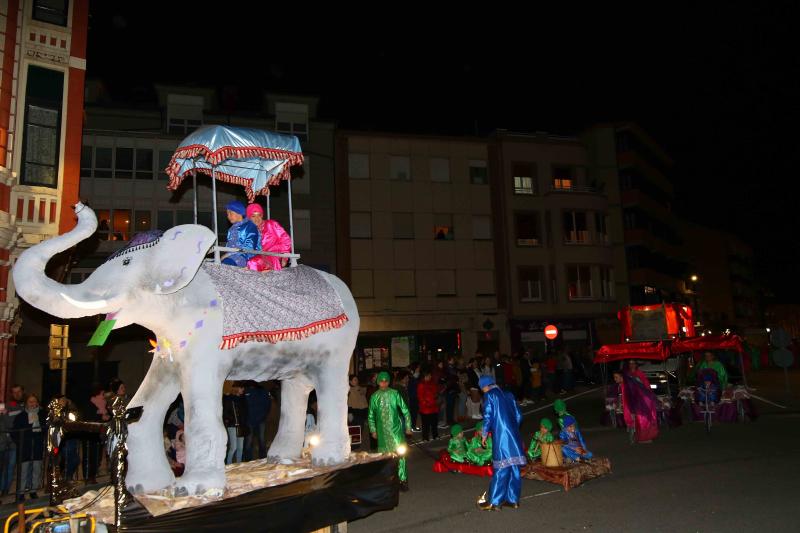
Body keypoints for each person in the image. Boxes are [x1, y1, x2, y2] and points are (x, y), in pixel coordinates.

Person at [477, 375, 524, 511]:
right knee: (514, 466)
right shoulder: (508, 394)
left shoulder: (490, 395)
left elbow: (488, 415)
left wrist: (484, 434)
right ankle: (513, 500)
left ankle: (494, 502)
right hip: (514, 435)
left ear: (485, 386)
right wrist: (512, 427)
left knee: (501, 467)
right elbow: (519, 416)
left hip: (502, 436)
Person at [368, 372, 412, 491]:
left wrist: (408, 427)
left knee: (400, 455)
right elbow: (371, 415)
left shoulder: (395, 394)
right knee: (384, 458)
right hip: (382, 434)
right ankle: (387, 481)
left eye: (386, 380)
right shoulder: (374, 397)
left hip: (396, 432)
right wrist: (373, 430)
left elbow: (405, 411)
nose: (384, 383)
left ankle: (402, 480)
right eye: (381, 381)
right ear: (378, 382)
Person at [13, 394, 45, 500]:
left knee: (36, 470)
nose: (32, 404)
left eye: (34, 401)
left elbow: (46, 430)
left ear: (37, 403)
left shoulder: (42, 415)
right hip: (25, 448)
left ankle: (33, 491)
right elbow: (15, 432)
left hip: (37, 447)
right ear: (26, 403)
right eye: (30, 402)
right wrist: (20, 443)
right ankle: (21, 492)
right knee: (23, 471)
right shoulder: (20, 416)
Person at [245, 203, 292, 272]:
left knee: (253, 263)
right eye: (253, 216)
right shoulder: (248, 231)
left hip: (273, 257)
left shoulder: (272, 224)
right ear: (249, 218)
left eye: (259, 215)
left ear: (262, 216)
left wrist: (284, 257)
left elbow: (286, 240)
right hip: (257, 257)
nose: (257, 219)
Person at [620, 361, 659, 443]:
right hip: (631, 399)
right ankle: (636, 437)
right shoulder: (626, 375)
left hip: (642, 400)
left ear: (636, 364)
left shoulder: (640, 374)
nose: (632, 365)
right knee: (634, 418)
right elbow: (624, 387)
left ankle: (646, 437)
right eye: (630, 363)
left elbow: (647, 387)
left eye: (633, 363)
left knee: (643, 418)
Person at [1, 384, 25, 495]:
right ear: (11, 394)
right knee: (4, 467)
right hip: (5, 442)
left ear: (22, 392)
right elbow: (7, 423)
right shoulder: (5, 406)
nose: (17, 394)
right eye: (14, 392)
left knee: (11, 466)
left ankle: (5, 490)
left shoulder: (26, 406)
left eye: (19, 391)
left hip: (17, 443)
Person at [221, 200, 259, 267]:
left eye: (230, 213)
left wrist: (229, 254)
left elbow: (249, 247)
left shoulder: (249, 226)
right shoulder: (232, 229)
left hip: (243, 257)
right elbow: (229, 245)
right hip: (231, 256)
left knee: (224, 264)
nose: (228, 216)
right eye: (227, 214)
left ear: (239, 212)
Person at [243, 381, 271, 460]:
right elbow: (268, 404)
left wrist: (264, 415)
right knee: (254, 440)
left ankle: (257, 458)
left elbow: (268, 404)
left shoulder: (261, 391)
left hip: (256, 420)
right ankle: (253, 459)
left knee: (257, 440)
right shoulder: (247, 391)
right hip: (252, 420)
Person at [222, 382, 248, 464]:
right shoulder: (229, 398)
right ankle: (228, 464)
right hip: (232, 425)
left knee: (240, 447)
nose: (243, 389)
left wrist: (244, 421)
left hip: (241, 425)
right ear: (236, 388)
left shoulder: (243, 399)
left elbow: (246, 412)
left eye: (243, 388)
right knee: (234, 447)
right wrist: (231, 420)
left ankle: (238, 465)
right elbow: (225, 412)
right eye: (241, 387)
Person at [417, 368, 440, 441]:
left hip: (434, 407)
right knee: (426, 424)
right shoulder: (421, 385)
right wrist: (427, 403)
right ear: (425, 376)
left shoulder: (432, 383)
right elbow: (420, 397)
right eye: (429, 375)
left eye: (430, 375)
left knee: (434, 423)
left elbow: (436, 392)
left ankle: (435, 435)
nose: (430, 376)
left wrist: (436, 398)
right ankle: (425, 437)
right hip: (426, 409)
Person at [347, 375, 369, 446]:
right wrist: (349, 413)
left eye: (357, 379)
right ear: (350, 381)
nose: (357, 381)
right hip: (354, 412)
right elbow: (348, 402)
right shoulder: (349, 390)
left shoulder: (360, 389)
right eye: (355, 380)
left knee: (360, 428)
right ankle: (353, 445)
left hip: (362, 412)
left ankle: (357, 444)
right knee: (355, 429)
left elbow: (364, 401)